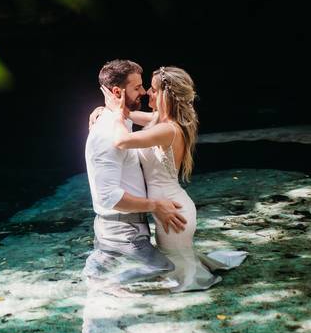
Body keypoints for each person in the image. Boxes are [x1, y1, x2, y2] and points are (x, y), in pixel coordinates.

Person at [101, 66, 247, 292]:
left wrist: (116, 113)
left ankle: (193, 284)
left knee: (178, 268)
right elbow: (127, 115)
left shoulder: (168, 129)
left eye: (153, 89)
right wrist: (102, 109)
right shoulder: (159, 120)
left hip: (172, 209)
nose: (148, 93)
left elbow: (121, 141)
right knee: (174, 263)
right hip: (169, 205)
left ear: (165, 96)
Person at [83, 59, 185, 288]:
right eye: (137, 87)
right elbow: (108, 197)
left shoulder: (121, 121)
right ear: (117, 92)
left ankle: (96, 283)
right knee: (161, 268)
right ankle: (107, 286)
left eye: (144, 86)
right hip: (121, 227)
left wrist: (113, 111)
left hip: (124, 225)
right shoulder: (109, 132)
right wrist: (156, 205)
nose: (144, 92)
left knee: (101, 264)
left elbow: (164, 122)